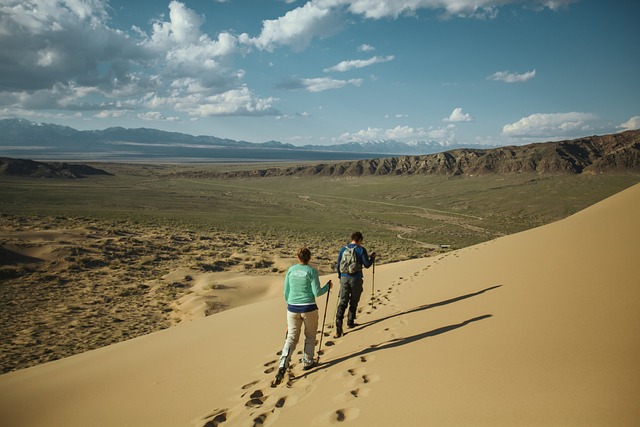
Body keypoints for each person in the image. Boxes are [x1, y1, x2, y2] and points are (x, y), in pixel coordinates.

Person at [276, 247, 332, 381]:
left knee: (291, 338)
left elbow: (285, 292)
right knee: (310, 336)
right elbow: (317, 292)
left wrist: (290, 305)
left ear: (297, 257)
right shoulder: (312, 271)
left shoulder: (291, 270)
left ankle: (283, 363)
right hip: (309, 308)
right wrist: (327, 287)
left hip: (292, 308)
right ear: (310, 258)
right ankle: (307, 362)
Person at [335, 231, 376, 338]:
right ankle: (350, 321)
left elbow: (338, 264)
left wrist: (340, 276)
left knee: (343, 301)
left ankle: (338, 320)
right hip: (356, 279)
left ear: (351, 238)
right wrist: (372, 258)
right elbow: (367, 265)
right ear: (360, 240)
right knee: (354, 300)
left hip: (344, 278)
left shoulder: (343, 249)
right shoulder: (361, 249)